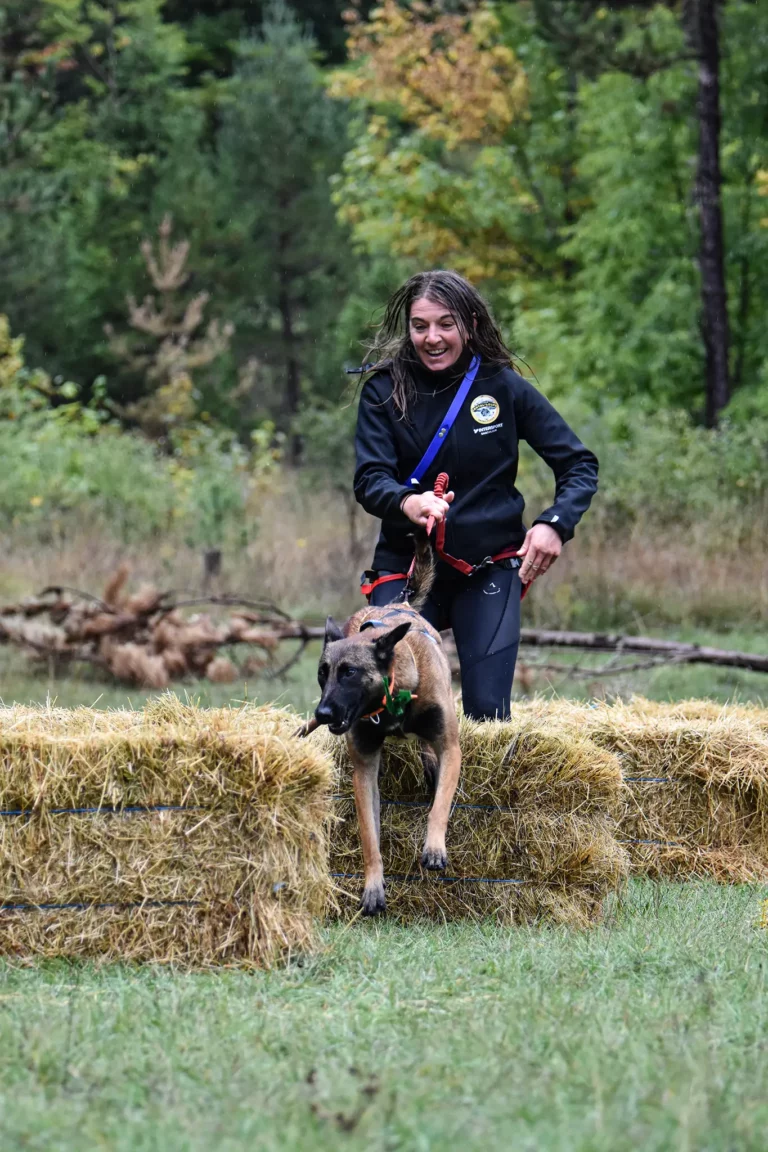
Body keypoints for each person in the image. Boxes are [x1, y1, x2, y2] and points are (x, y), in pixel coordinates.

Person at [353, 270, 598, 721]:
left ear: (470, 323)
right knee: (386, 710)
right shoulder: (383, 390)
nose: (432, 338)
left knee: (486, 717)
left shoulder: (502, 386)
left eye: (446, 324)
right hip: (406, 566)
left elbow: (579, 464)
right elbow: (370, 479)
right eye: (420, 325)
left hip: (487, 569)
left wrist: (554, 524)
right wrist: (410, 503)